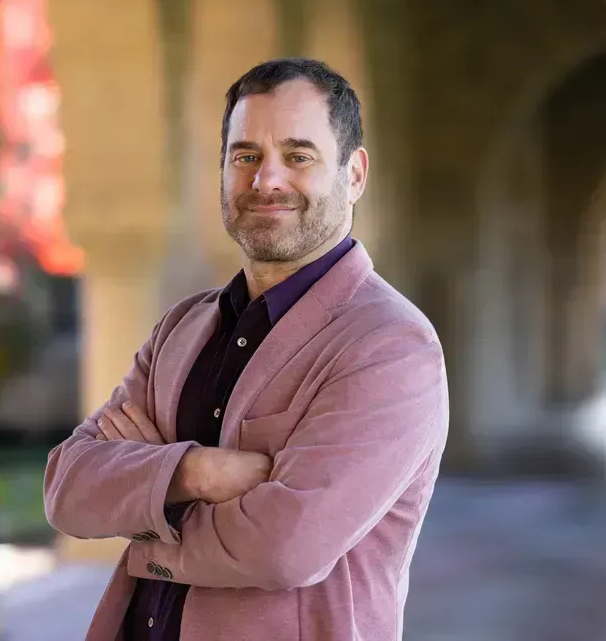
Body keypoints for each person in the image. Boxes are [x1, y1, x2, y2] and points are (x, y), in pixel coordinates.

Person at [44, 57, 448, 641]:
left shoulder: (389, 345)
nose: (266, 180)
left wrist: (145, 518)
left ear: (354, 174)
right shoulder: (181, 327)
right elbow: (67, 488)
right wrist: (196, 471)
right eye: (246, 156)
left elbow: (286, 549)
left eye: (298, 156)